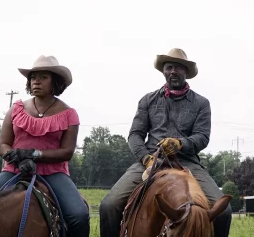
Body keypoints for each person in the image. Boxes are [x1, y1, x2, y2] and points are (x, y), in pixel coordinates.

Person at [99, 48, 232, 237]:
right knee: (109, 205)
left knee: (223, 212)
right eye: (169, 67)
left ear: (186, 72)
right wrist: (146, 159)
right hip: (151, 161)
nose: (173, 71)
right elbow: (135, 135)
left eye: (178, 67)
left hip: (187, 163)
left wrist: (180, 144)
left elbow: (202, 137)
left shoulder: (201, 103)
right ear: (163, 71)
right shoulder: (147, 100)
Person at [0, 55, 90, 237]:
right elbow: (2, 144)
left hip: (53, 172)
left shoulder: (69, 114)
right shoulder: (16, 109)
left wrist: (35, 154)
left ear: (56, 82)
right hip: (14, 170)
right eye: (34, 77)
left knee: (79, 215)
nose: (37, 82)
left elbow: (67, 152)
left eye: (44, 77)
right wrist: (14, 156)